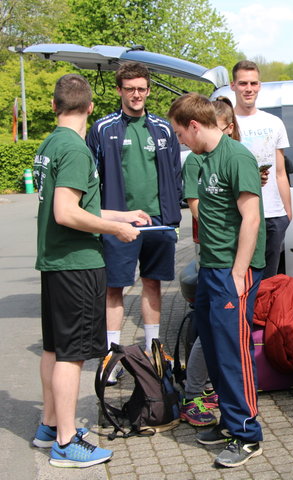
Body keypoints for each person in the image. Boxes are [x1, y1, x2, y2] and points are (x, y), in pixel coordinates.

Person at [33, 74, 150, 468]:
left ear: (54, 106)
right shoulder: (77, 150)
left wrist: (122, 214)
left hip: (55, 263)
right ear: (90, 108)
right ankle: (66, 443)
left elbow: (78, 206)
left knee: (54, 347)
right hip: (77, 265)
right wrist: (116, 229)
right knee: (72, 355)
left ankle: (50, 425)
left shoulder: (51, 143)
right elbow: (66, 213)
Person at [168, 92, 265, 468]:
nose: (180, 141)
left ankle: (247, 435)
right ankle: (229, 421)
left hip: (231, 271)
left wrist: (239, 273)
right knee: (211, 347)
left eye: (180, 134)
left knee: (232, 353)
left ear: (194, 126)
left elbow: (252, 219)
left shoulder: (236, 157)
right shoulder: (202, 159)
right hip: (211, 266)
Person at [87, 62, 182, 377]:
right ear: (119, 90)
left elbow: (173, 175)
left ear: (148, 90)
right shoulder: (102, 128)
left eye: (142, 88)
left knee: (152, 284)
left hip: (158, 222)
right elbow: (91, 179)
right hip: (118, 223)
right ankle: (111, 357)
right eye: (130, 89)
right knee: (115, 288)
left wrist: (171, 215)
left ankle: (154, 350)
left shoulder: (163, 129)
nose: (136, 94)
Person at [231, 60, 291, 279]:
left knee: (268, 282)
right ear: (233, 85)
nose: (249, 89)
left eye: (253, 83)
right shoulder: (226, 123)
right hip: (240, 214)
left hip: (273, 215)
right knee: (241, 279)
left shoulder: (274, 123)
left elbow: (280, 171)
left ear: (259, 85)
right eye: (243, 83)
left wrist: (287, 212)